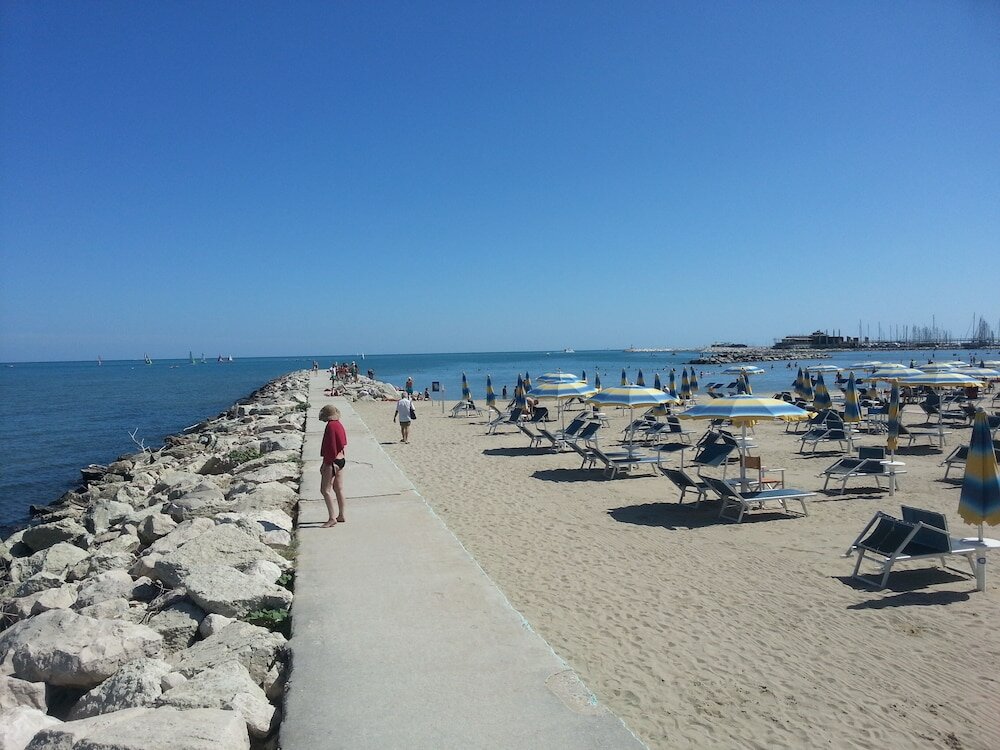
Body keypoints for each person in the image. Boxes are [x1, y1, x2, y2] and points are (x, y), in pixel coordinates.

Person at [318, 404, 347, 528]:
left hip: (332, 461)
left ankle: (332, 518)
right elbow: (341, 444)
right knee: (339, 489)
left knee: (325, 490)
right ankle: (341, 515)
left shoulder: (330, 426)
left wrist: (325, 464)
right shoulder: (339, 425)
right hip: (341, 460)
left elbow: (330, 448)